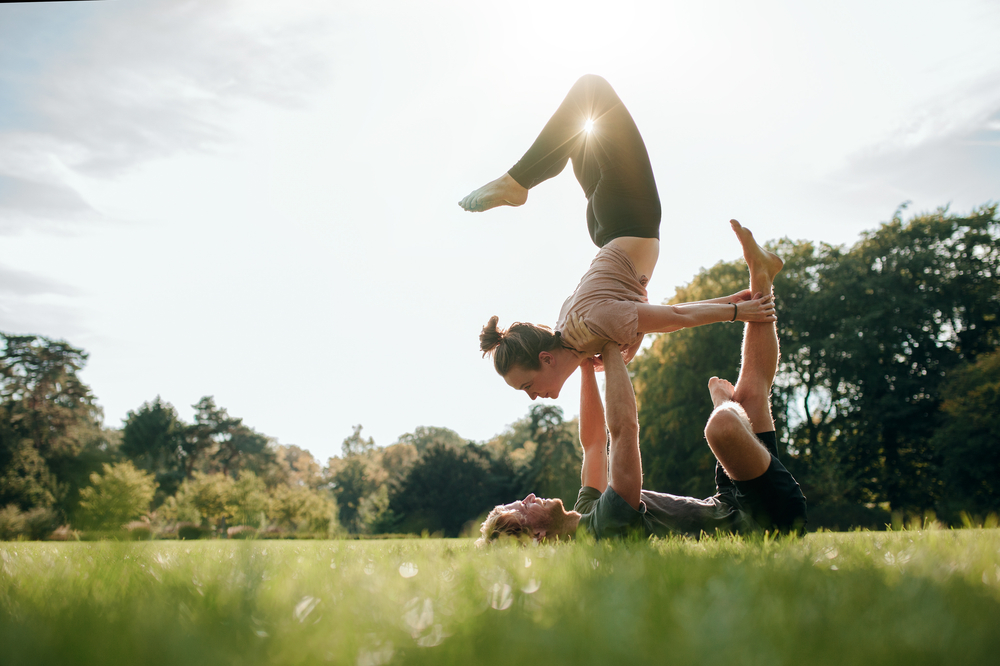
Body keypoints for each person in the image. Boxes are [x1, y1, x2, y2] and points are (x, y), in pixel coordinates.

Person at [477, 221, 807, 544]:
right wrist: (607, 345)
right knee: (721, 426)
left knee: (752, 392)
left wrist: (584, 364)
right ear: (537, 535)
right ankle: (724, 403)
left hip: (731, 501)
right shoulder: (606, 527)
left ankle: (762, 272)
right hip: (765, 520)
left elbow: (593, 443)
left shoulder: (587, 511)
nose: (529, 496)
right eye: (522, 508)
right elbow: (623, 431)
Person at [463, 74, 775, 402]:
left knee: (592, 93)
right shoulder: (573, 330)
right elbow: (649, 308)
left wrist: (740, 314)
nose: (532, 396)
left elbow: (676, 318)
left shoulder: (591, 326)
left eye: (527, 386)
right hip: (605, 227)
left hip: (628, 218)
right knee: (581, 131)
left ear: (546, 358)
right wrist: (727, 302)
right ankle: (520, 181)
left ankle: (517, 182)